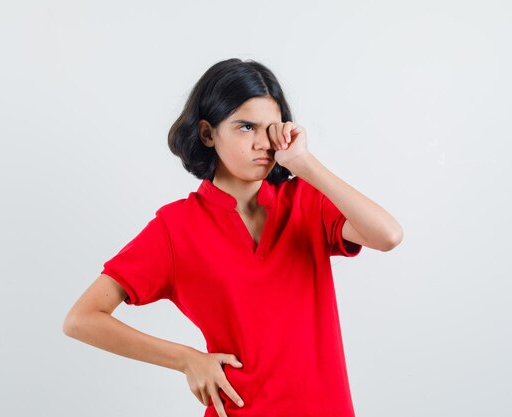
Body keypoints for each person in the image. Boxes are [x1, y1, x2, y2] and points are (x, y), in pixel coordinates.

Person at [62, 58, 403, 417]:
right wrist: (187, 360)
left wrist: (304, 164)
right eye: (245, 127)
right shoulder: (176, 228)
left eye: (271, 128)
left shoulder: (307, 201)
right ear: (208, 133)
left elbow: (388, 235)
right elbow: (82, 319)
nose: (263, 143)